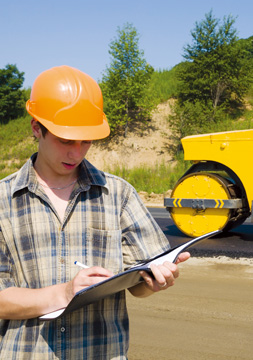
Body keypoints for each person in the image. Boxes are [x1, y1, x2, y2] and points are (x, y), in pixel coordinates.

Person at [0, 65, 190, 359]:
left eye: (85, 140)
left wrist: (156, 281)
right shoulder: (3, 200)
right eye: (65, 140)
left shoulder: (118, 194)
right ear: (36, 127)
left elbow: (138, 285)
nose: (76, 153)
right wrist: (65, 293)